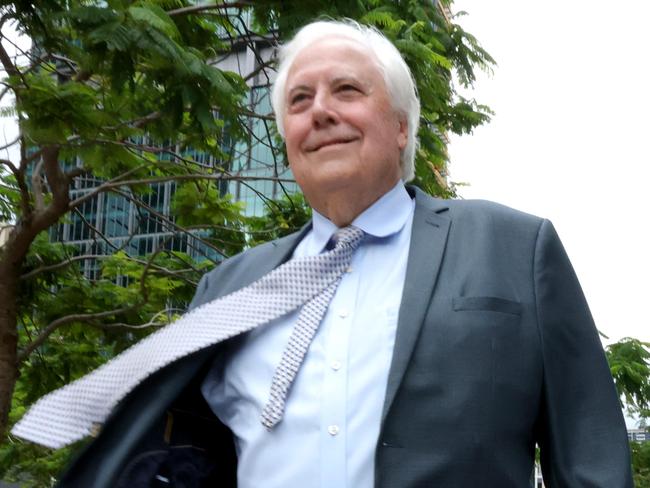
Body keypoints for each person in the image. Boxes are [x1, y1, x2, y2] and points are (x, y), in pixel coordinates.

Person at [41, 20, 631, 487]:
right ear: (289, 139)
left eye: (346, 90)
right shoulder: (227, 288)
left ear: (401, 126)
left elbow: (592, 463)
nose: (320, 110)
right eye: (299, 100)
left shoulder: (515, 248)